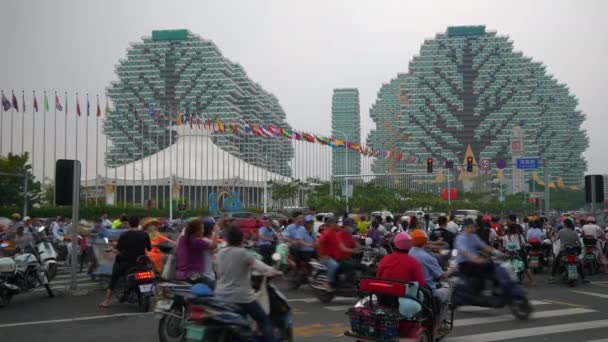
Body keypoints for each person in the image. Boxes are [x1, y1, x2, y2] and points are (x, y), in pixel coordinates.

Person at [214, 226, 281, 342]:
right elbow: (261, 267)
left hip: (220, 295)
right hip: (241, 297)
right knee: (263, 319)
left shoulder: (220, 253)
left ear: (228, 239)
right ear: (241, 239)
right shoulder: (243, 253)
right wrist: (274, 271)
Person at [100, 216, 151, 307]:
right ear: (138, 223)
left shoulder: (124, 235)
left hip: (125, 263)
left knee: (113, 279)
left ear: (129, 224)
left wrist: (112, 250)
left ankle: (106, 301)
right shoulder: (145, 234)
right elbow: (149, 249)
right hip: (140, 263)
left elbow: (118, 249)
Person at [408, 230, 451, 322]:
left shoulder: (409, 253)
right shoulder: (427, 257)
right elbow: (442, 276)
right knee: (448, 291)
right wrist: (451, 270)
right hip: (426, 291)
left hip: (411, 288)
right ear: (425, 241)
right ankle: (439, 322)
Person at [318, 217, 357, 291]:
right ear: (330, 224)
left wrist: (352, 250)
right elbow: (318, 244)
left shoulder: (334, 234)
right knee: (334, 265)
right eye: (335, 223)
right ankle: (328, 283)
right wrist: (321, 255)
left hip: (332, 257)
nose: (336, 224)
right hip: (325, 257)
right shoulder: (327, 233)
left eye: (336, 222)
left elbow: (341, 247)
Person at [175, 219, 218, 285]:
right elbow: (214, 246)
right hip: (193, 276)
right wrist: (216, 232)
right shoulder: (197, 241)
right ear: (197, 230)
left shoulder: (182, 239)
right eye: (202, 229)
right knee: (216, 286)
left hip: (179, 275)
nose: (203, 231)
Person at [549, 218, 587, 283]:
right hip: (573, 251)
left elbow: (555, 239)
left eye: (563, 223)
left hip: (564, 251)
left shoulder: (561, 231)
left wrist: (552, 236)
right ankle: (583, 278)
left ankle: (553, 277)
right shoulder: (574, 232)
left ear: (565, 224)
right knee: (579, 263)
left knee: (555, 262)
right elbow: (578, 242)